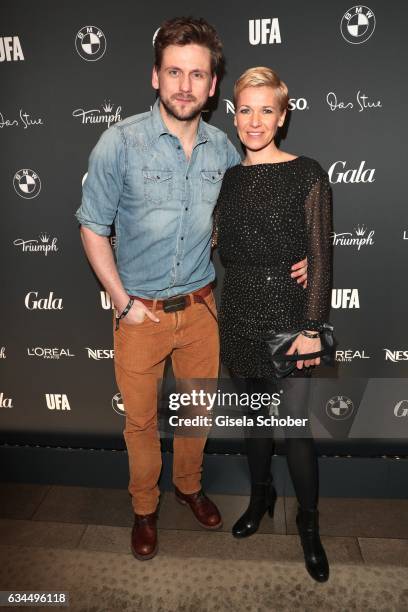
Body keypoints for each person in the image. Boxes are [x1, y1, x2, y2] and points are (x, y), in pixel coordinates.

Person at [75, 18, 308, 562]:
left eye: (197, 74)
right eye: (174, 71)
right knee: (140, 422)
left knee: (196, 413)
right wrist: (122, 302)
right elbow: (92, 225)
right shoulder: (120, 143)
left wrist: (301, 256)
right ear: (155, 76)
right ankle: (143, 509)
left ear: (211, 86)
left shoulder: (225, 151)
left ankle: (186, 486)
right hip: (141, 313)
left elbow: (259, 210)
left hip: (203, 311)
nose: (185, 84)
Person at [215, 67, 332, 582]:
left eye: (267, 109)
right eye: (246, 109)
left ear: (284, 115)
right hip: (237, 310)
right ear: (233, 114)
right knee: (255, 424)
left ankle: (309, 525)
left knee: (296, 430)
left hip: (289, 315)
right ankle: (260, 496)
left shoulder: (308, 172)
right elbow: (218, 239)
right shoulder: (230, 177)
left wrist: (311, 326)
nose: (255, 120)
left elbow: (321, 257)